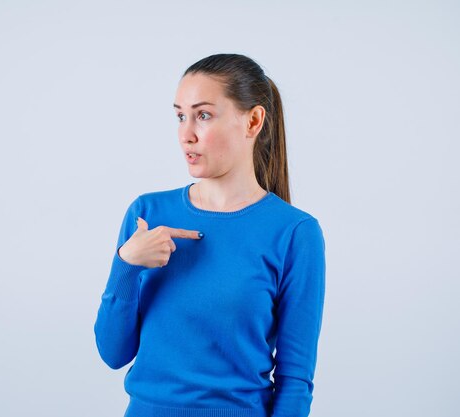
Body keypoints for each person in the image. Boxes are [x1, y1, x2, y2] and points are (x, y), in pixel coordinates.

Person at [94, 53, 326, 417]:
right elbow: (113, 353)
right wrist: (126, 265)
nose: (186, 134)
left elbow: (295, 380)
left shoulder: (295, 233)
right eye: (180, 116)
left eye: (203, 115)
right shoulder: (147, 215)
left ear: (253, 121)